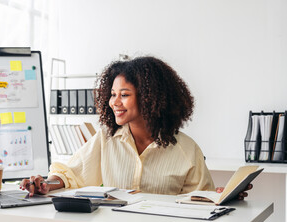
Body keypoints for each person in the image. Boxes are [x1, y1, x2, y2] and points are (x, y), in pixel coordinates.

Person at [20, 56, 251, 199]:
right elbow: (71, 174)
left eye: (124, 95)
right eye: (112, 95)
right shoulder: (106, 139)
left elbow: (202, 199)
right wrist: (46, 185)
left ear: (150, 98)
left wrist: (223, 195)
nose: (114, 102)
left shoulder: (187, 150)